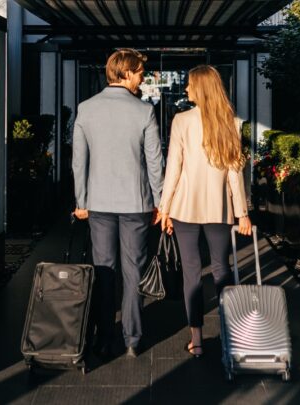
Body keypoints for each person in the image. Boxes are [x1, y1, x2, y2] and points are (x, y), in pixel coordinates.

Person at [72, 48, 163, 359]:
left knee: (104, 269)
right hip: (136, 203)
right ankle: (133, 338)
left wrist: (81, 200)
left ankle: (104, 336)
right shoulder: (144, 112)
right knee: (134, 270)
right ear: (125, 73)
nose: (142, 78)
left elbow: (78, 161)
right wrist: (160, 201)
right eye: (139, 72)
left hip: (98, 202)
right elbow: (154, 163)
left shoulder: (86, 109)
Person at [158, 65, 252, 358]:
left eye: (188, 85)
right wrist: (242, 213)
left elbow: (173, 168)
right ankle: (229, 335)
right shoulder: (232, 123)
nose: (185, 89)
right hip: (219, 209)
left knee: (192, 274)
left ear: (200, 88)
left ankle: (196, 340)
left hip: (185, 208)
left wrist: (165, 209)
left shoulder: (182, 120)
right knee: (223, 269)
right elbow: (235, 173)